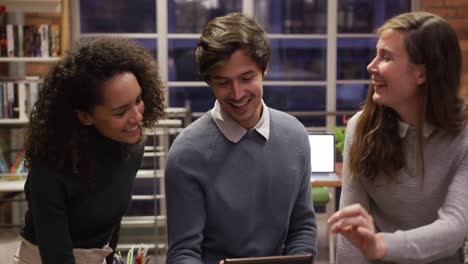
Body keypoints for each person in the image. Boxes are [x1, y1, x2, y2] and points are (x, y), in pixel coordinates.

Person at [165, 13, 317, 264]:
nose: (237, 94)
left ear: (264, 69)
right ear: (209, 82)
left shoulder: (295, 136)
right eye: (223, 82)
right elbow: (183, 252)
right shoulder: (187, 153)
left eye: (247, 78)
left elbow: (302, 229)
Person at [327, 11, 468, 263]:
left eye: (386, 57)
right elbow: (350, 231)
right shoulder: (361, 127)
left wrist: (381, 245)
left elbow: (455, 228)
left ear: (421, 74)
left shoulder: (464, 135)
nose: (371, 66)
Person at [13, 37, 165, 264]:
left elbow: (112, 221)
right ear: (85, 116)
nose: (137, 116)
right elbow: (57, 255)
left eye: (138, 100)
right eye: (120, 111)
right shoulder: (51, 164)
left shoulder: (132, 146)